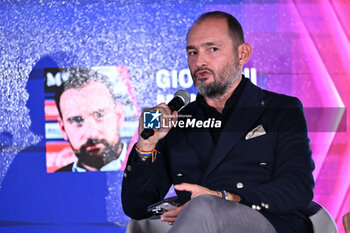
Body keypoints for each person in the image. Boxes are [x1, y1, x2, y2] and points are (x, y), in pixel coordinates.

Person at [122, 11, 314, 233]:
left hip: (268, 222)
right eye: (192, 52)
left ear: (242, 54)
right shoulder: (177, 122)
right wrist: (146, 147)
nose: (199, 61)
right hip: (197, 226)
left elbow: (297, 188)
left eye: (212, 49)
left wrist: (224, 198)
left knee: (202, 206)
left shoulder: (280, 109)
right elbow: (137, 208)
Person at [54, 68, 126, 172]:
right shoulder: (53, 183)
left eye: (99, 115)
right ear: (63, 129)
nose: (91, 134)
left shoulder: (152, 168)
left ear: (119, 116)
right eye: (76, 120)